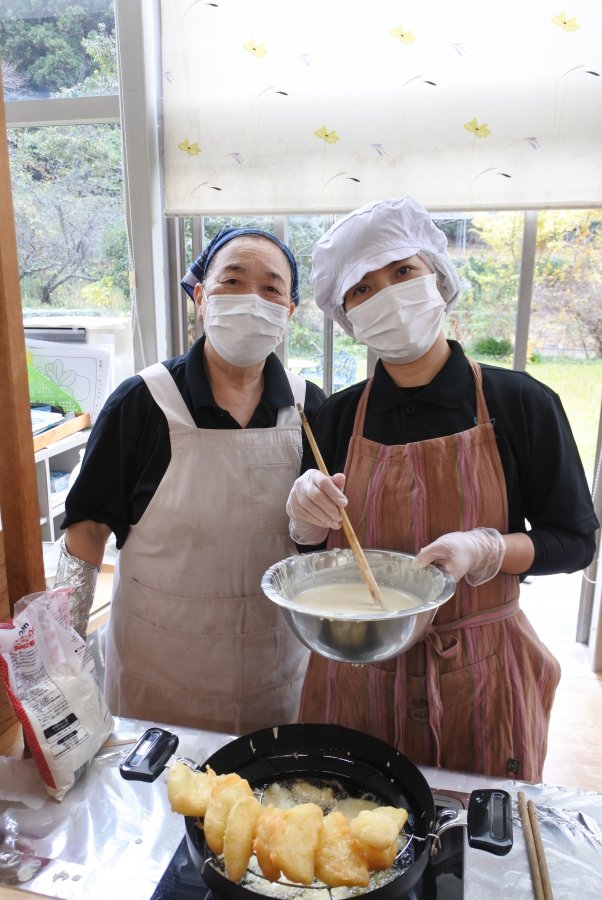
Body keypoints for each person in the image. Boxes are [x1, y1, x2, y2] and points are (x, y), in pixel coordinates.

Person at [286, 197, 599, 781]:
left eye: (403, 271)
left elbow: (577, 541)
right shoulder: (334, 418)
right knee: (354, 821)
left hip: (482, 675)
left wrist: (489, 548)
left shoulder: (521, 403)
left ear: (438, 276)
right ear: (348, 315)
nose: (387, 295)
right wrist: (304, 522)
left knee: (477, 833)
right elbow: (312, 553)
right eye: (362, 288)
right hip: (357, 674)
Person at [57, 227, 326, 734]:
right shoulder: (141, 402)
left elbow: (319, 542)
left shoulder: (309, 408)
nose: (252, 299)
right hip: (158, 680)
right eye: (233, 280)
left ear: (289, 312)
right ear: (201, 298)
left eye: (271, 288)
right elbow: (87, 530)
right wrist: (63, 656)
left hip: (272, 675)